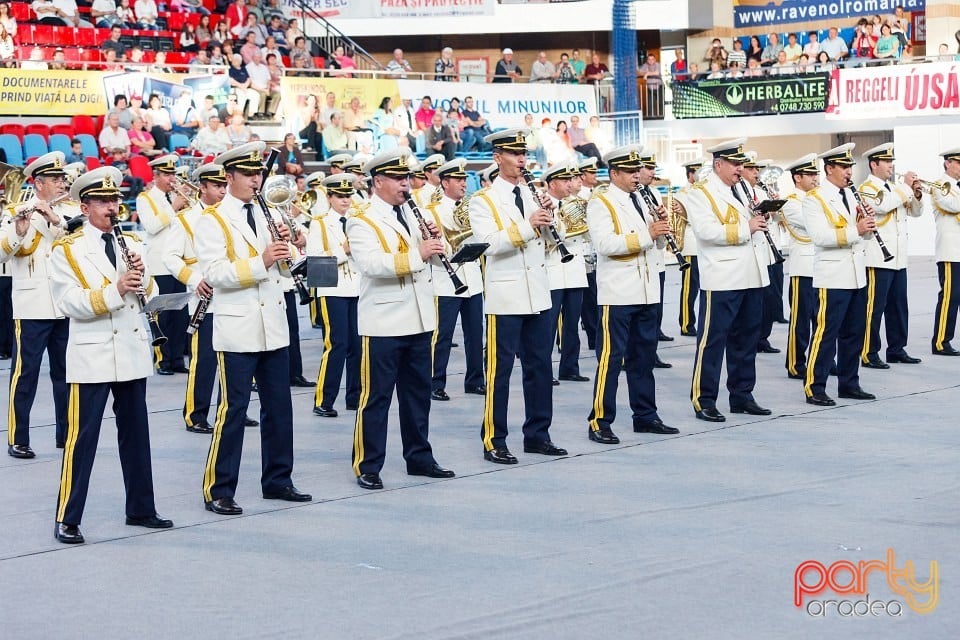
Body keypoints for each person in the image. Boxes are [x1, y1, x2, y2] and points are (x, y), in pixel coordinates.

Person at [48, 166, 173, 544]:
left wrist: (142, 279)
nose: (112, 207)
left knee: (136, 435)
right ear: (84, 207)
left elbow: (146, 291)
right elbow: (69, 302)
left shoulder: (131, 243)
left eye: (115, 200)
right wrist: (117, 288)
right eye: (102, 201)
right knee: (81, 439)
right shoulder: (66, 250)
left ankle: (141, 508)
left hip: (131, 350)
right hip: (93, 354)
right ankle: (67, 517)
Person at [196, 141, 312, 514]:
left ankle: (278, 479)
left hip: (272, 321)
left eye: (258, 173)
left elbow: (282, 266)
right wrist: (262, 260)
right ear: (229, 177)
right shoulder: (211, 220)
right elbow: (215, 274)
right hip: (238, 325)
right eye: (248, 174)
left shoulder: (266, 214)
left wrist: (294, 247)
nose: (256, 180)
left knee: (279, 408)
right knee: (233, 410)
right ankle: (219, 488)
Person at [345, 148, 455, 489]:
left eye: (407, 178)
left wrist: (439, 242)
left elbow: (436, 259)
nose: (405, 185)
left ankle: (419, 457)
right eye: (397, 179)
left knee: (417, 394)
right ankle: (367, 464)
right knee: (376, 397)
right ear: (378, 182)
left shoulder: (413, 212)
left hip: (420, 317)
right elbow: (371, 265)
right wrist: (418, 253)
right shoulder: (361, 219)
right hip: (384, 322)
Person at [468, 129, 568, 464]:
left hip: (538, 293)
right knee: (499, 372)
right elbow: (489, 244)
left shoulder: (533, 192)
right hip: (506, 297)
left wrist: (554, 222)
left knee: (540, 368)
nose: (522, 160)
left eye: (524, 155)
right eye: (514, 155)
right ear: (498, 158)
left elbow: (551, 241)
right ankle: (494, 439)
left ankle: (538, 435)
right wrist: (528, 225)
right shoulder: (483, 200)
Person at [585, 145, 679, 444]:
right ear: (614, 173)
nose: (636, 176)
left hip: (647, 290)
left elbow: (657, 247)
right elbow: (605, 244)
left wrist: (663, 232)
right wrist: (648, 234)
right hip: (618, 292)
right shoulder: (601, 202)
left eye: (637, 170)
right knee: (611, 360)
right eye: (629, 171)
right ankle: (599, 420)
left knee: (643, 358)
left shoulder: (644, 198)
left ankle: (646, 415)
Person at [685, 139, 772, 422]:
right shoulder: (701, 193)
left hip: (751, 273)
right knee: (713, 341)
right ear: (718, 164)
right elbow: (707, 231)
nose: (740, 169)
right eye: (735, 164)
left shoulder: (743, 189)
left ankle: (742, 395)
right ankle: (704, 399)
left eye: (741, 164)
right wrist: (746, 227)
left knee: (746, 340)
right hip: (722, 277)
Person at [2, 152, 78, 459]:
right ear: (39, 183)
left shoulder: (70, 211)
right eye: (56, 180)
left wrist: (54, 218)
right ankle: (18, 437)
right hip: (31, 306)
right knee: (25, 374)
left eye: (63, 179)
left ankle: (66, 433)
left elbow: (80, 237)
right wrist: (20, 229)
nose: (62, 184)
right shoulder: (15, 210)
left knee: (66, 373)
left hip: (63, 304)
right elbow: (2, 254)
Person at [802, 144, 876, 406]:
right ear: (829, 168)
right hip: (832, 277)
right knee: (826, 334)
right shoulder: (815, 199)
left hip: (856, 274)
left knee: (854, 332)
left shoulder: (853, 196)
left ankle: (849, 383)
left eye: (849, 167)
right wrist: (857, 229)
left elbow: (860, 237)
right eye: (843, 167)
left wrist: (867, 227)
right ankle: (815, 386)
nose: (848, 172)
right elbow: (820, 237)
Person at [857, 143, 922, 368]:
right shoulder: (866, 188)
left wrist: (916, 193)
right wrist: (905, 189)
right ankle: (868, 351)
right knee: (874, 308)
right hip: (877, 258)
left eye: (891, 161)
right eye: (886, 162)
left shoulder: (895, 187)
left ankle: (896, 348)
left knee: (898, 306)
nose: (891, 166)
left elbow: (916, 212)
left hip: (898, 257)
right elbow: (882, 206)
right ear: (874, 164)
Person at [424, 159, 485, 402]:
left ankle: (475, 380)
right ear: (445, 182)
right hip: (445, 278)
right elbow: (433, 246)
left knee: (475, 333)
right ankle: (434, 382)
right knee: (443, 336)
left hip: (472, 277)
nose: (463, 183)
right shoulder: (432, 211)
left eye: (464, 179)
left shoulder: (473, 206)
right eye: (458, 180)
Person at [308, 175, 361, 417]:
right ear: (329, 197)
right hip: (333, 289)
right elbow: (315, 260)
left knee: (358, 346)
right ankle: (324, 400)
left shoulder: (358, 220)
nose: (345, 200)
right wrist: (344, 250)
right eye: (340, 196)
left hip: (358, 287)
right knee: (336, 345)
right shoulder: (319, 223)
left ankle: (355, 397)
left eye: (348, 195)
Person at [137, 155, 190, 375]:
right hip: (159, 264)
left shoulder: (175, 196)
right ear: (156, 176)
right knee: (163, 315)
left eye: (172, 174)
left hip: (179, 262)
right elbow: (151, 226)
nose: (171, 179)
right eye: (167, 175)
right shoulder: (145, 198)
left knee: (180, 316)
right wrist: (174, 208)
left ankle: (177, 359)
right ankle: (162, 360)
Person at [542, 162, 590, 384]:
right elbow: (552, 237)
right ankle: (545, 370)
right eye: (565, 180)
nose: (570, 184)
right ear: (552, 183)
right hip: (552, 271)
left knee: (572, 324)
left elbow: (588, 236)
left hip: (575, 271)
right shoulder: (541, 204)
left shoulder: (577, 204)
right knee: (548, 326)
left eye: (571, 180)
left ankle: (570, 367)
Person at [778, 153, 819, 380]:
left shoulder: (819, 198)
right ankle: (795, 362)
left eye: (816, 174)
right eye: (810, 174)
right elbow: (813, 223)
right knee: (801, 321)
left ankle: (817, 359)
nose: (815, 178)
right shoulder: (791, 202)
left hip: (821, 268)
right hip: (803, 269)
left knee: (821, 320)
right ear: (797, 177)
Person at [930, 148, 960, 356]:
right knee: (950, 297)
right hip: (950, 251)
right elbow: (949, 205)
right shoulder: (939, 185)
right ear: (948, 163)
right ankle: (941, 341)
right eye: (958, 162)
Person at [673, 157, 704, 337]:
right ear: (691, 174)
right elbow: (688, 218)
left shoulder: (705, 192)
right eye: (698, 172)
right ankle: (686, 323)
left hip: (706, 247)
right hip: (691, 246)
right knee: (689, 289)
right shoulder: (682, 194)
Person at [638, 53, 663, 118]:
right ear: (647, 60)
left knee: (661, 103)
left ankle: (661, 117)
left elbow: (657, 73)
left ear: (655, 60)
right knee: (650, 104)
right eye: (649, 59)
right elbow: (639, 72)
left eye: (652, 59)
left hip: (659, 87)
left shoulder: (658, 64)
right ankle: (652, 118)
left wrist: (647, 74)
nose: (651, 61)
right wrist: (646, 73)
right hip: (650, 88)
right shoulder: (645, 65)